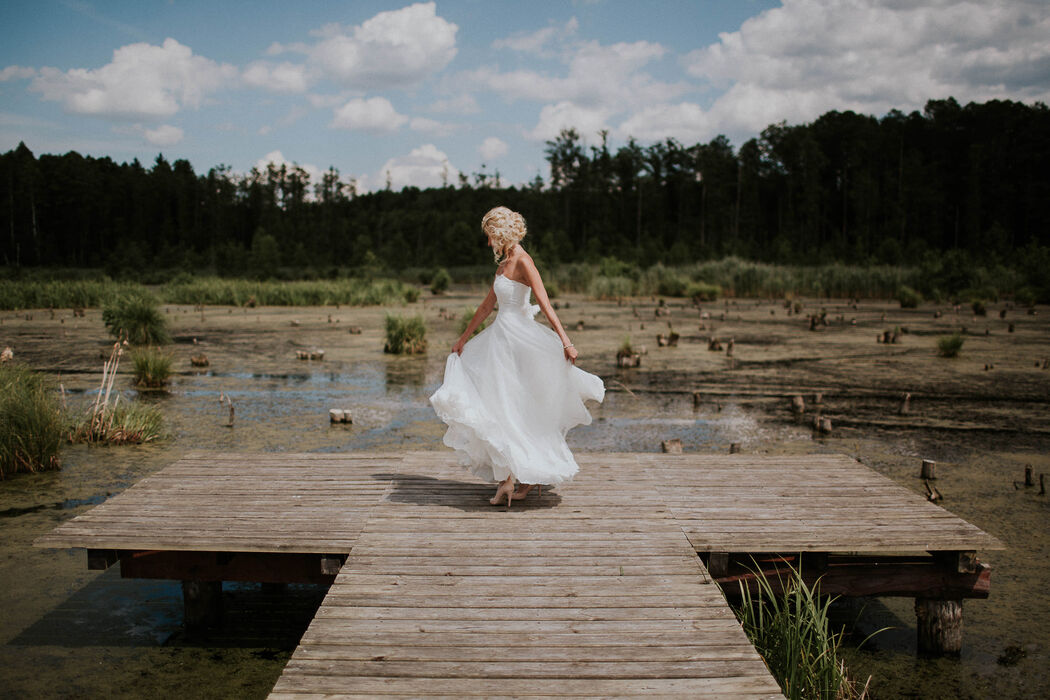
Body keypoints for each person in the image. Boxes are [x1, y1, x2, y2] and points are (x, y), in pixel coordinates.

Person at [429, 206, 605, 507]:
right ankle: (508, 479)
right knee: (499, 406)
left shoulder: (523, 261)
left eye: (489, 236)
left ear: (501, 233)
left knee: (522, 406)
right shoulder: (501, 266)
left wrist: (566, 341)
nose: (488, 243)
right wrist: (462, 339)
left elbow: (545, 303)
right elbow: (486, 308)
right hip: (499, 343)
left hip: (522, 342)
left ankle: (526, 477)